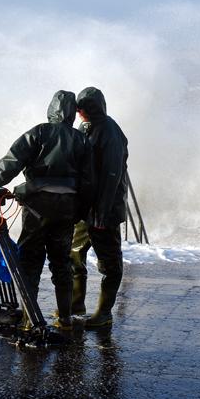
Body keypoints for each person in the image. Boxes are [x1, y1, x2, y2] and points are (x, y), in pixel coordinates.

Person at [0, 90, 92, 330]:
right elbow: (89, 182)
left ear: (51, 110)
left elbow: (10, 163)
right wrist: (81, 211)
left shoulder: (39, 132)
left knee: (31, 262)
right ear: (71, 114)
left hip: (37, 208)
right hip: (67, 209)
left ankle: (30, 321)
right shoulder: (82, 141)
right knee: (62, 263)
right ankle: (66, 318)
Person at [69, 86, 129, 328]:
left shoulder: (110, 132)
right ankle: (74, 308)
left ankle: (104, 313)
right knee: (74, 254)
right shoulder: (88, 127)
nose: (79, 113)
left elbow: (112, 175)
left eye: (83, 109)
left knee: (109, 263)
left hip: (106, 209)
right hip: (87, 208)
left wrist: (102, 212)